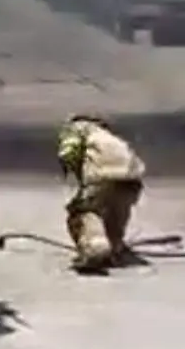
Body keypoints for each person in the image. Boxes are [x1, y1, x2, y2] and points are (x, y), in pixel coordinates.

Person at [56, 114, 147, 276]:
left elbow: (68, 152)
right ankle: (114, 247)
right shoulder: (112, 138)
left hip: (103, 173)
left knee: (85, 212)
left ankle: (95, 248)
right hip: (132, 175)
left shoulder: (78, 130)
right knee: (117, 211)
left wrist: (71, 170)